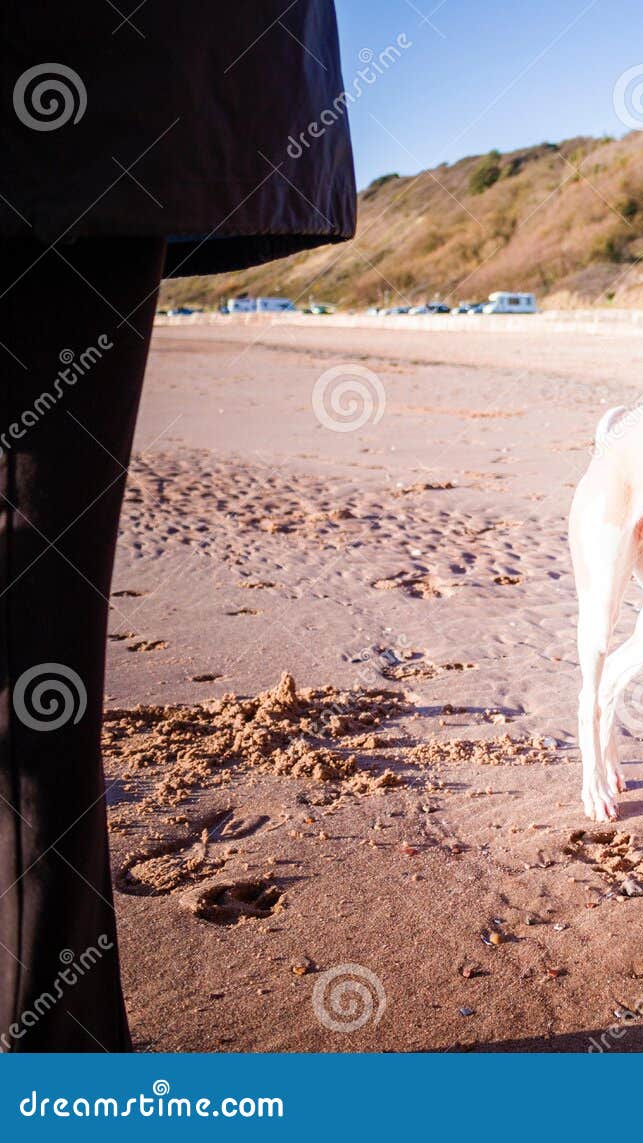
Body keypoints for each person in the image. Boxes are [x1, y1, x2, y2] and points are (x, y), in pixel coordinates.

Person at [0, 2, 355, 1051]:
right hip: (125, 97)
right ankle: (55, 1058)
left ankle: (53, 1064)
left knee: (36, 637)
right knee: (36, 633)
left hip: (113, 102)